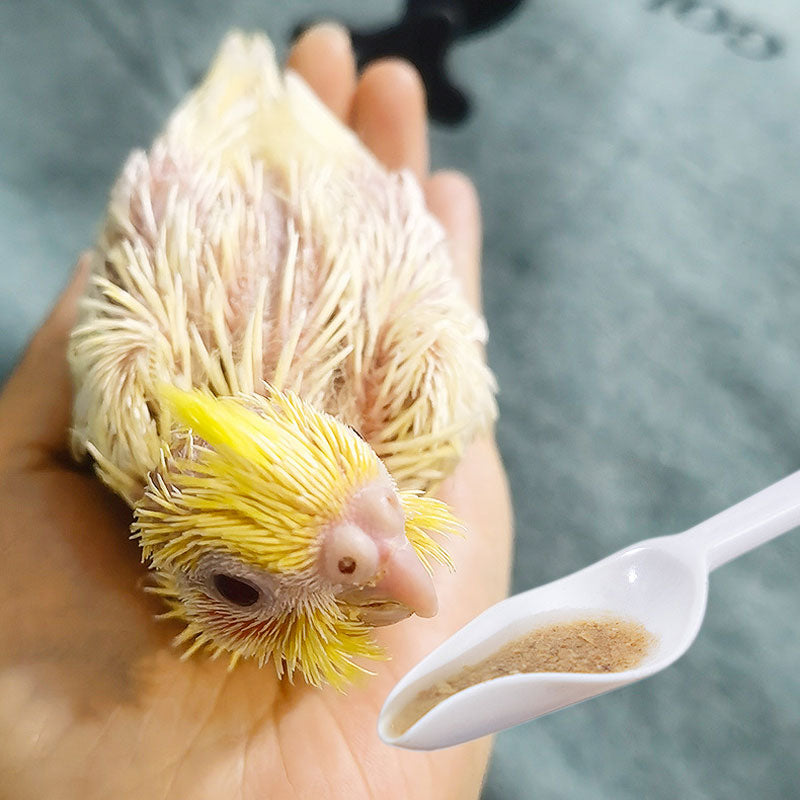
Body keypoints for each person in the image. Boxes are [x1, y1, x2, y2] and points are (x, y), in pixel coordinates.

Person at [0, 24, 513, 800]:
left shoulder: (129, 410)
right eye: (234, 590)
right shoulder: (416, 418)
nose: (399, 579)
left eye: (242, 587)